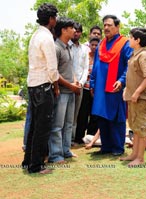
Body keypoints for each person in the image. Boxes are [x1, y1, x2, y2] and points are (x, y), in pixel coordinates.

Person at [22, 3, 59, 174]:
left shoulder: (35, 36)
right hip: (44, 86)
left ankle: (28, 161)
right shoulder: (47, 38)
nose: (56, 20)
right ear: (51, 19)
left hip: (33, 85)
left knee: (34, 126)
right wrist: (56, 86)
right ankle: (36, 166)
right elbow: (52, 69)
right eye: (55, 17)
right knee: (43, 127)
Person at [90, 15, 133, 156]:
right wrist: (92, 83)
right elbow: (95, 66)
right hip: (100, 88)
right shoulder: (101, 44)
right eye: (105, 25)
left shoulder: (125, 43)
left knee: (116, 116)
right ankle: (106, 146)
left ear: (117, 26)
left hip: (115, 86)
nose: (106, 28)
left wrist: (121, 80)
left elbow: (130, 65)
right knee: (102, 116)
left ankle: (118, 147)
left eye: (109, 25)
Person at [48, 17, 81, 163]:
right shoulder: (55, 48)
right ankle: (55, 155)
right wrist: (69, 85)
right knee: (57, 125)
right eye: (72, 28)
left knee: (68, 124)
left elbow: (70, 69)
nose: (75, 30)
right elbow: (54, 72)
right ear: (63, 30)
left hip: (71, 91)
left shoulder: (68, 47)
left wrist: (75, 81)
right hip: (61, 92)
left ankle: (66, 150)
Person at [119, 27, 146, 165]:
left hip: (140, 98)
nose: (129, 39)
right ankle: (134, 154)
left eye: (131, 37)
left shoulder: (144, 55)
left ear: (137, 40)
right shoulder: (135, 54)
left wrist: (137, 92)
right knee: (134, 126)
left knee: (141, 126)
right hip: (132, 96)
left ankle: (140, 158)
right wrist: (127, 90)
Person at [75, 37, 101, 141]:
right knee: (83, 113)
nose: (94, 47)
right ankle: (79, 137)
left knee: (94, 114)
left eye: (96, 45)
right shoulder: (86, 57)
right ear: (89, 45)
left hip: (96, 90)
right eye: (92, 45)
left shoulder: (101, 58)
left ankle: (90, 136)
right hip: (85, 88)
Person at [70, 22, 89, 145]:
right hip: (67, 84)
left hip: (80, 86)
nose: (76, 33)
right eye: (74, 30)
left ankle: (71, 139)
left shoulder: (84, 49)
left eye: (78, 31)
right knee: (66, 114)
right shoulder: (66, 46)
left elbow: (86, 67)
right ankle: (65, 141)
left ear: (81, 33)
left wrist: (81, 83)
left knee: (75, 114)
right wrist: (72, 82)